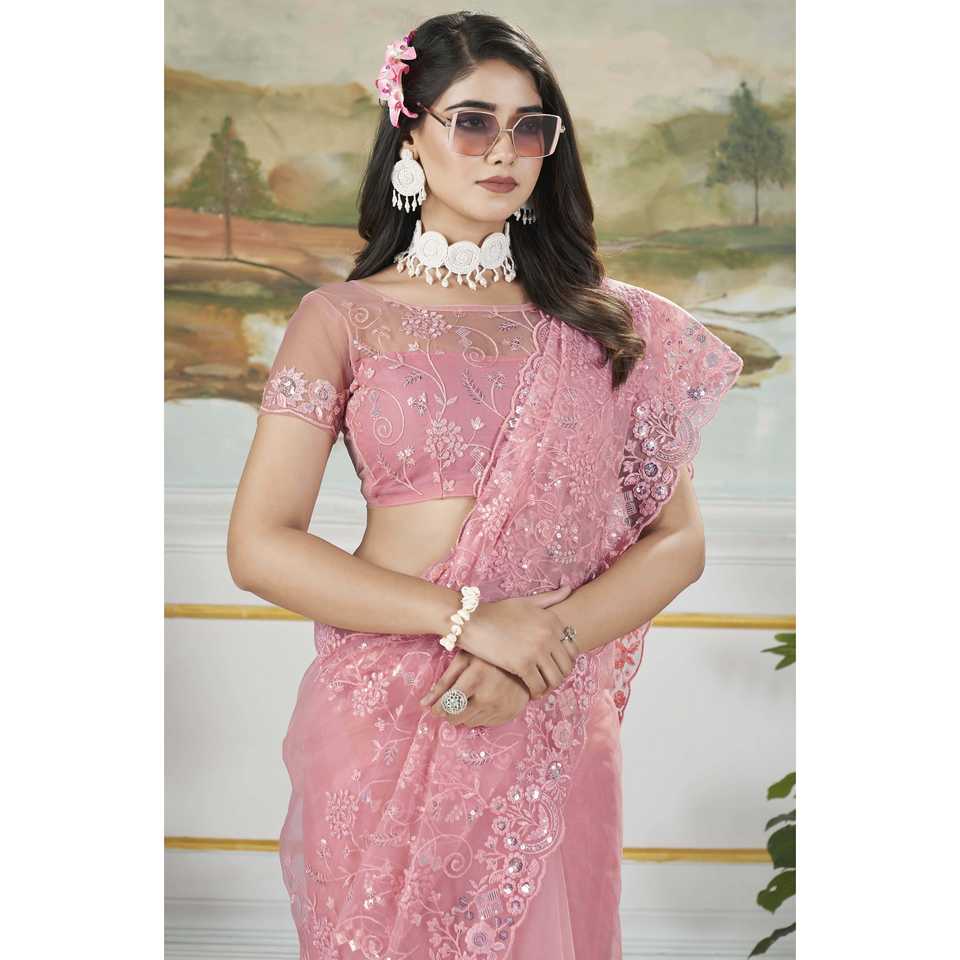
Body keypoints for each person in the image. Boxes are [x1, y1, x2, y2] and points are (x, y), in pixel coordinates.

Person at [227, 12, 743, 959]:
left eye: (529, 126)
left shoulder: (609, 327)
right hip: (388, 709)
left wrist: (540, 649)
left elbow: (677, 541)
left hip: (546, 707)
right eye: (472, 121)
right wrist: (471, 624)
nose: (504, 150)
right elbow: (261, 546)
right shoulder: (339, 318)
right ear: (410, 130)